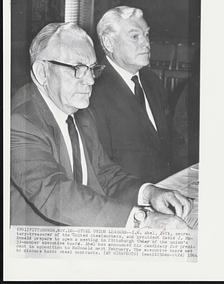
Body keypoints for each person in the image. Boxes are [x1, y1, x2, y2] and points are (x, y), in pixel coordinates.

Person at [11, 22, 191, 228]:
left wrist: (149, 193)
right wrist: (142, 220)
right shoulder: (20, 122)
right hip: (39, 243)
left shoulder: (81, 113)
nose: (89, 80)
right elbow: (54, 192)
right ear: (42, 72)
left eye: (92, 69)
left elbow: (104, 173)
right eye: (78, 69)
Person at [90, 6, 171, 184]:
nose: (146, 43)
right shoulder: (93, 91)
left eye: (147, 35)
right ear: (109, 43)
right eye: (135, 36)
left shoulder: (152, 81)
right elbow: (101, 170)